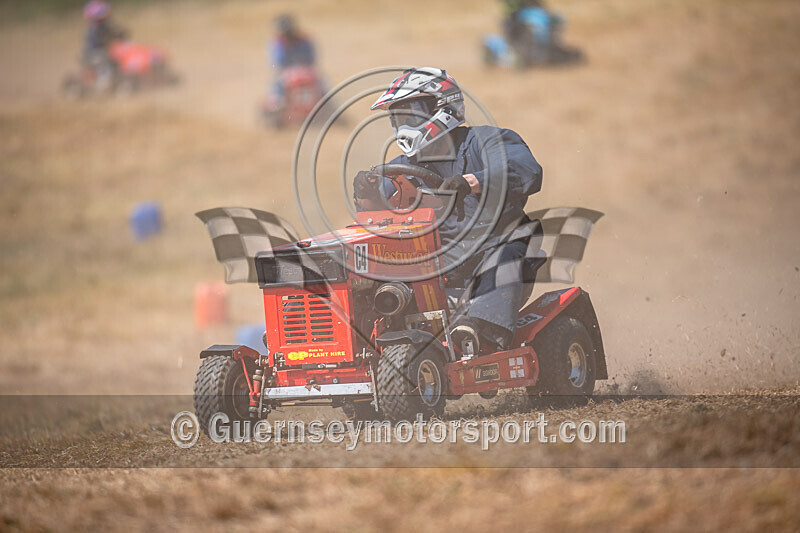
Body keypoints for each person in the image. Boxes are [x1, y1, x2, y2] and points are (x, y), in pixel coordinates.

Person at [353, 67, 543, 355]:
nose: (404, 126)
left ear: (443, 108)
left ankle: (478, 329)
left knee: (511, 248)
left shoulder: (486, 141)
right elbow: (377, 218)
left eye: (411, 115)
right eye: (398, 119)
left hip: (496, 255)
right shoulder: (402, 166)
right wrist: (366, 195)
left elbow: (527, 172)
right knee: (370, 269)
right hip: (436, 268)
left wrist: (471, 182)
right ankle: (359, 342)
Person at [268, 14, 316, 100]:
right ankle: (277, 102)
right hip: (285, 73)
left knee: (322, 83)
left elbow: (311, 58)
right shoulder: (278, 43)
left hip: (305, 71)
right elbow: (277, 63)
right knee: (277, 86)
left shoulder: (304, 40)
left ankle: (328, 102)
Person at [81, 1, 126, 89]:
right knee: (106, 59)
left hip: (101, 52)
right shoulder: (93, 28)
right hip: (93, 54)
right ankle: (103, 83)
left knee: (116, 57)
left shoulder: (104, 26)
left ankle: (115, 78)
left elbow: (114, 32)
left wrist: (120, 35)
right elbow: (98, 41)